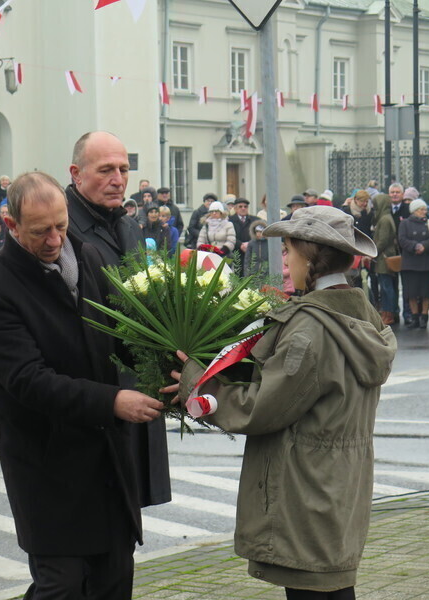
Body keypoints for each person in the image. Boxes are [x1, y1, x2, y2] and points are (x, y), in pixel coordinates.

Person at [169, 205, 397, 600]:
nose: (285, 259)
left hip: (305, 489)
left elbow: (263, 407)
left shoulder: (310, 329)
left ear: (310, 256)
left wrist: (199, 384)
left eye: (289, 249)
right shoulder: (362, 317)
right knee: (334, 587)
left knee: (313, 590)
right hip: (340, 483)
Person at [0, 172, 161, 599]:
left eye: (61, 226)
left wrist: (165, 364)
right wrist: (113, 401)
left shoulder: (88, 257)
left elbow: (118, 336)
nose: (55, 240)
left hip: (106, 457)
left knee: (114, 576)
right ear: (11, 225)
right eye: (40, 232)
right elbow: (28, 381)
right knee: (62, 585)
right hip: (47, 463)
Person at [65, 130, 170, 508]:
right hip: (97, 389)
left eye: (123, 169)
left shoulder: (127, 224)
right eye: (106, 170)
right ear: (76, 173)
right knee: (97, 513)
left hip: (136, 383)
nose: (118, 179)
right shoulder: (61, 227)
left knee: (126, 524)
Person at [398, 198, 429, 329]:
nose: (424, 212)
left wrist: (424, 246)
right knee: (411, 292)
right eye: (421, 209)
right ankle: (414, 316)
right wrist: (415, 246)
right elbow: (402, 239)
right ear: (414, 211)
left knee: (426, 292)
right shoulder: (405, 223)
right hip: (410, 263)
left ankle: (424, 317)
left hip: (425, 263)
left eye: (425, 209)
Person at [372, 194, 400, 326]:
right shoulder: (387, 217)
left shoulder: (384, 220)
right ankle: (390, 312)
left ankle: (388, 314)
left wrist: (373, 252)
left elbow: (383, 240)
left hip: (384, 257)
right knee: (388, 287)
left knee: (386, 288)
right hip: (386, 255)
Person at [231, 198, 257, 275]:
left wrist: (249, 244)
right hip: (235, 251)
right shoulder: (230, 220)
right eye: (240, 206)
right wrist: (240, 244)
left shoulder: (255, 220)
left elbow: (258, 234)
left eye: (245, 206)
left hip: (251, 252)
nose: (243, 208)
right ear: (235, 208)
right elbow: (228, 236)